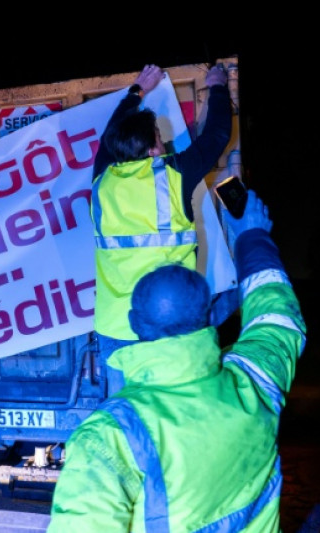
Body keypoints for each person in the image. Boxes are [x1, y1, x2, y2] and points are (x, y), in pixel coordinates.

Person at [49, 190, 307, 532]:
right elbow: (277, 318)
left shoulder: (111, 436)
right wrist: (252, 235)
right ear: (209, 316)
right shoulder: (256, 381)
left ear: (134, 323)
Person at [91, 62, 233, 394]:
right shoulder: (173, 174)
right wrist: (217, 85)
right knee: (175, 409)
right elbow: (217, 136)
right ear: (153, 148)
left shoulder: (101, 180)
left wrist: (138, 90)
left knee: (128, 414)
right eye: (159, 137)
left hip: (114, 329)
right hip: (168, 326)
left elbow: (107, 140)